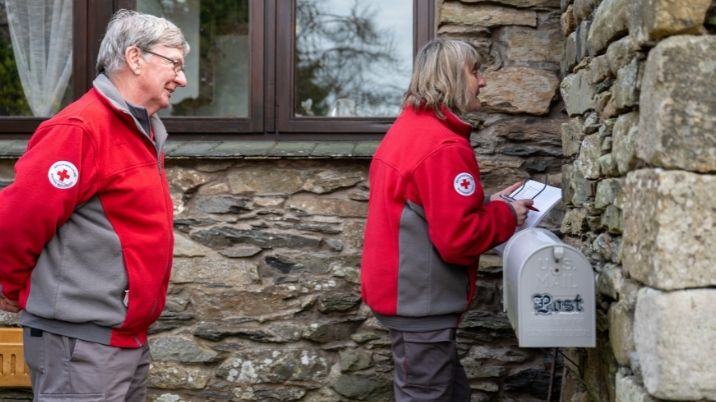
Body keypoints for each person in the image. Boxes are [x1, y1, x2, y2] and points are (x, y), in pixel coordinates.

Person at [0, 9, 188, 401]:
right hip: (79, 341)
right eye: (174, 63)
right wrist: (19, 289)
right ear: (135, 58)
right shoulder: (81, 129)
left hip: (121, 339)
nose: (182, 78)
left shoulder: (141, 129)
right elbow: (17, 222)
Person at [360, 38, 534, 401]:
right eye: (475, 72)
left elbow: (427, 209)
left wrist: (488, 204)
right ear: (452, 78)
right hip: (420, 306)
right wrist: (506, 214)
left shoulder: (409, 132)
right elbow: (458, 239)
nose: (482, 81)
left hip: (408, 299)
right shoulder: (443, 146)